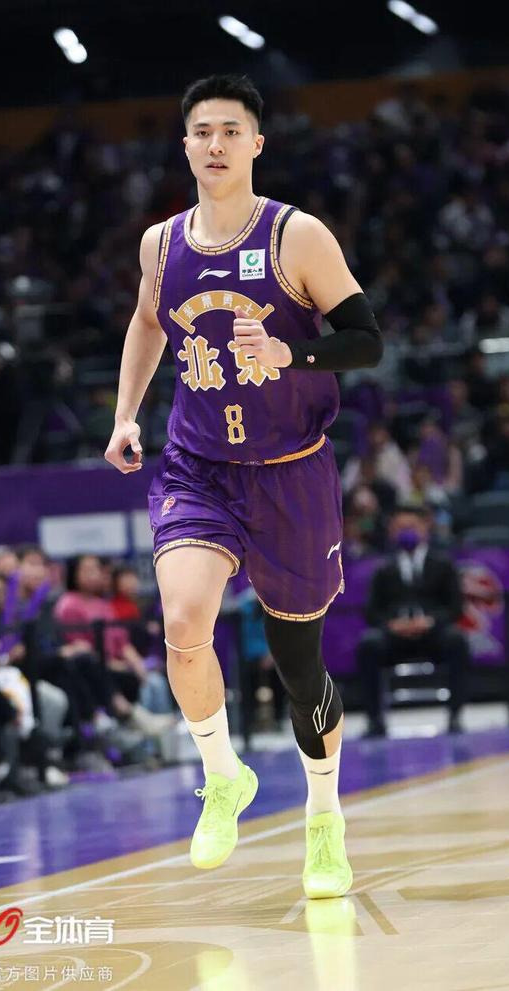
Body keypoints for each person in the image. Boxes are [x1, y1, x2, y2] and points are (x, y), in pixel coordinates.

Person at [104, 74, 382, 899]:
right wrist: (125, 414)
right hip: (199, 467)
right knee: (184, 619)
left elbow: (365, 340)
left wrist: (293, 354)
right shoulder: (161, 246)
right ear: (186, 145)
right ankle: (222, 774)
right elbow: (147, 322)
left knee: (300, 669)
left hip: (291, 471)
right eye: (203, 131)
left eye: (231, 130)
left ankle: (324, 817)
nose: (216, 144)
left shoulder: (297, 236)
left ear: (257, 143)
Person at [355, 506, 469, 738]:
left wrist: (430, 621)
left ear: (425, 528)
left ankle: (455, 715)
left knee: (457, 640)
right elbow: (371, 612)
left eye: (411, 527)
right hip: (395, 636)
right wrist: (392, 625)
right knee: (368, 644)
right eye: (401, 528)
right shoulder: (383, 568)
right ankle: (375, 720)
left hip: (432, 634)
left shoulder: (443, 564)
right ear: (391, 532)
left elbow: (455, 608)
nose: (406, 532)